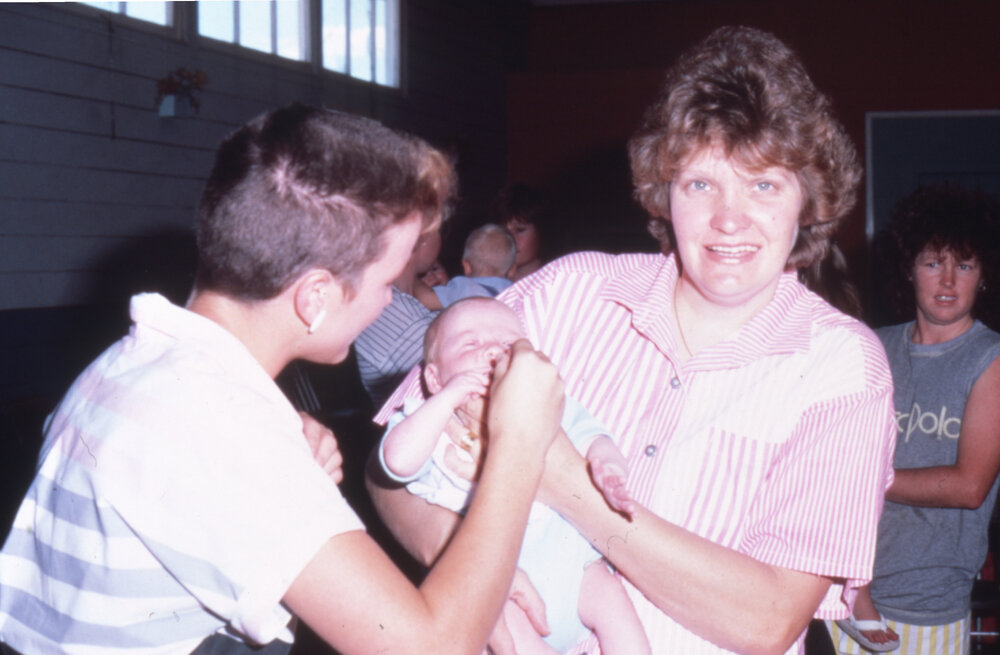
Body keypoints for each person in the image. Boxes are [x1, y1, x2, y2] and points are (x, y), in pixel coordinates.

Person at [368, 25, 898, 655]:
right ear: (664, 191)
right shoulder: (563, 294)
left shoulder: (844, 367)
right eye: (701, 184)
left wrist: (559, 473)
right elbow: (388, 474)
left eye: (764, 184)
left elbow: (768, 618)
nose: (729, 219)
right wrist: (482, 579)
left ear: (807, 201)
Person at [0, 104, 566, 655]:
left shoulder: (133, 362)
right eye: (388, 281)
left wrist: (279, 450)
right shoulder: (227, 432)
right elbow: (432, 645)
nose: (391, 299)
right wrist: (520, 445)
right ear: (315, 298)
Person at [379, 297, 649, 655]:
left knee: (611, 596)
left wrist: (607, 465)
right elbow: (396, 462)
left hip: (572, 566)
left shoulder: (546, 405)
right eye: (470, 344)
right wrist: (448, 399)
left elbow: (593, 436)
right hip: (495, 577)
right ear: (433, 377)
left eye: (508, 345)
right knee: (507, 627)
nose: (492, 349)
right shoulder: (424, 420)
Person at [829, 184, 1000, 654]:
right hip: (843, 593)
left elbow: (969, 487)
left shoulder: (989, 358)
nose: (947, 281)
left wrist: (869, 476)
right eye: (932, 263)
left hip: (926, 603)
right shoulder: (873, 346)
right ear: (909, 270)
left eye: (963, 266)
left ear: (983, 275)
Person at [355, 223, 442, 409]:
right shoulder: (383, 308)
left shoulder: (421, 296)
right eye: (438, 229)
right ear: (421, 237)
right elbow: (454, 363)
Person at [417, 224, 517, 310]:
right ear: (512, 270)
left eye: (435, 269)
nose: (431, 275)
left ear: (466, 267)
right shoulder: (515, 293)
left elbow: (426, 298)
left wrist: (411, 271)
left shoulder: (464, 288)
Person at [499, 184, 548, 282]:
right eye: (503, 231)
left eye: (519, 230)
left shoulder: (557, 283)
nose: (509, 239)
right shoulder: (484, 287)